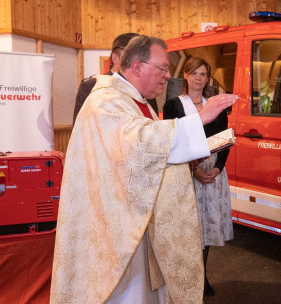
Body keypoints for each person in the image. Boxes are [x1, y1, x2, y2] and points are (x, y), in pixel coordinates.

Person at [50, 35, 238, 303]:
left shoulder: (137, 101)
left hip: (136, 216)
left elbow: (150, 150)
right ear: (137, 67)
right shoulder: (105, 101)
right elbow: (141, 142)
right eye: (162, 68)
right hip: (116, 226)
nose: (167, 76)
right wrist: (201, 118)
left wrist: (189, 157)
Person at [162, 57, 233, 297]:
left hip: (212, 171)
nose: (199, 78)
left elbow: (225, 140)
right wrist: (194, 170)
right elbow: (170, 142)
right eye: (195, 73)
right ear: (187, 76)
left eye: (203, 74)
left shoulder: (215, 104)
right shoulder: (174, 105)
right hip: (186, 171)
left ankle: (201, 276)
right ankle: (187, 277)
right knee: (189, 227)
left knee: (206, 227)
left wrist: (218, 168)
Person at [72, 32, 159, 123]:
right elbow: (80, 127)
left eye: (143, 58)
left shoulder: (145, 88)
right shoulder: (92, 86)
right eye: (131, 56)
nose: (138, 63)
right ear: (115, 58)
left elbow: (153, 125)